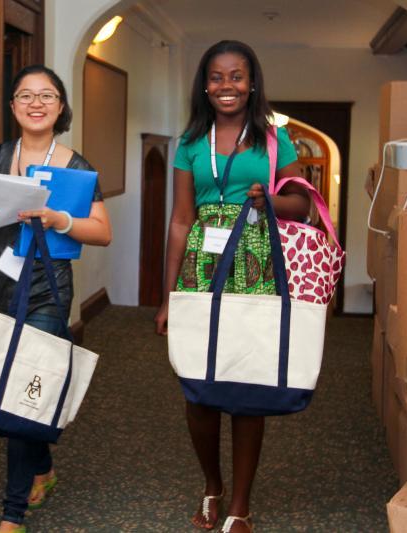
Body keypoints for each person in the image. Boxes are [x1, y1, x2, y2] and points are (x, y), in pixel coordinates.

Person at [154, 41, 310, 533]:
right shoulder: (191, 142)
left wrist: (269, 200)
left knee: (249, 385)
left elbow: (301, 206)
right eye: (218, 77)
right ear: (205, 84)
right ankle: (212, 484)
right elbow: (181, 221)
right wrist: (168, 295)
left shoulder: (273, 140)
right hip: (201, 267)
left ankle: (240, 505)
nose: (227, 86)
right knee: (198, 391)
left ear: (252, 83)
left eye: (237, 76)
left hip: (257, 263)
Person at [0, 64, 112, 533]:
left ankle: (12, 514)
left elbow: (103, 232)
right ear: (13, 107)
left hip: (47, 292)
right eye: (26, 95)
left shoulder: (78, 166)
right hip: (0, 286)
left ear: (60, 106)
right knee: (10, 387)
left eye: (47, 95)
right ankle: (42, 467)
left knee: (23, 397)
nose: (36, 103)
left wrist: (58, 219)